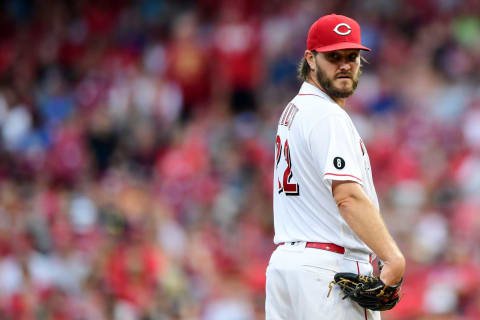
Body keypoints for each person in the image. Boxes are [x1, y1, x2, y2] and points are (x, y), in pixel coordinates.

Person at [265, 14, 405, 320]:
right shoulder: (327, 115)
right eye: (333, 57)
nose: (345, 65)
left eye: (351, 56)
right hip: (328, 269)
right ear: (311, 59)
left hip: (286, 268)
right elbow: (348, 197)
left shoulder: (294, 110)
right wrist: (392, 258)